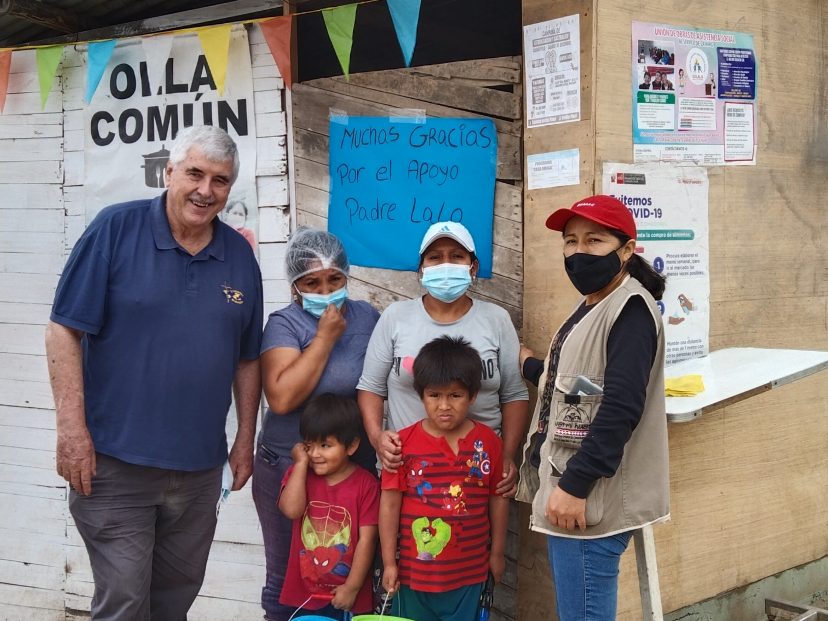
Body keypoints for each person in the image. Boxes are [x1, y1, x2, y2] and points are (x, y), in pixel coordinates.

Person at [45, 125, 263, 620]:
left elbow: (248, 357)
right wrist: (71, 431)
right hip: (115, 464)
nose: (205, 190)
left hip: (198, 470)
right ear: (168, 172)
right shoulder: (115, 229)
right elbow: (63, 330)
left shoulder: (239, 255)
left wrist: (245, 439)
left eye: (220, 180)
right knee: (125, 599)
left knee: (173, 602)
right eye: (195, 174)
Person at [515, 195, 669, 621]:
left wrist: (575, 486)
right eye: (570, 241)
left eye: (594, 240)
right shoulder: (595, 302)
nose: (578, 252)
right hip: (571, 494)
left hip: (585, 502)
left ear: (626, 249)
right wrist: (530, 365)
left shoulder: (629, 310)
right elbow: (580, 383)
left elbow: (620, 406)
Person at [254, 227, 380, 621]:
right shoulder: (284, 324)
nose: (325, 291)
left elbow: (379, 383)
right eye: (312, 283)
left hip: (351, 466)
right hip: (288, 463)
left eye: (334, 280)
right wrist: (324, 339)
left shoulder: (367, 317)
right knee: (288, 573)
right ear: (295, 286)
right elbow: (281, 398)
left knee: (347, 567)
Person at [357, 221, 529, 496]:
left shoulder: (496, 320)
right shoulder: (395, 317)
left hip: (479, 471)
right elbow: (371, 388)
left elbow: (514, 395)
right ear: (421, 269)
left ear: (473, 267)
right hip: (407, 469)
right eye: (435, 257)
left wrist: (507, 455)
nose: (446, 265)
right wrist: (378, 438)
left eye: (457, 256)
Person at [379, 336, 508, 621]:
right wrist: (389, 562)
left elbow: (498, 498)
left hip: (469, 573)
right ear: (421, 395)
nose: (444, 405)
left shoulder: (489, 443)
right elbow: (389, 504)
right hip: (413, 575)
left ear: (473, 395)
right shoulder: (401, 444)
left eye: (455, 395)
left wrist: (497, 554)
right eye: (434, 395)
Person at [278, 394, 380, 620]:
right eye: (309, 445)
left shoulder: (367, 485)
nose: (315, 454)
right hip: (305, 593)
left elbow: (368, 540)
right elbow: (291, 510)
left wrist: (352, 587)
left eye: (325, 445)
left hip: (347, 595)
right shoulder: (301, 475)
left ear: (351, 445)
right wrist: (300, 464)